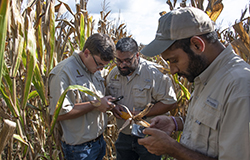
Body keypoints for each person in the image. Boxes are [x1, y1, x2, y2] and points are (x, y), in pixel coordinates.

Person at [138, 7, 250, 160]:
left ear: (197, 45)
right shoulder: (204, 74)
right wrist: (176, 123)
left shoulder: (239, 86)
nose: (172, 70)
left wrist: (172, 148)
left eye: (174, 60)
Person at [106, 37, 177, 160]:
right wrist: (114, 107)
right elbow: (109, 99)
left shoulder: (155, 74)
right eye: (118, 60)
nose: (122, 65)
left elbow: (170, 102)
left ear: (137, 55)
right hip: (124, 135)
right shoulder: (113, 75)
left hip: (149, 135)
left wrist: (142, 114)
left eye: (127, 60)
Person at [48, 33, 116, 160]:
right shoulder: (63, 73)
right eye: (99, 64)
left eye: (104, 66)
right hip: (80, 150)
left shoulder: (93, 69)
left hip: (99, 142)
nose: (101, 69)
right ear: (86, 53)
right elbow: (59, 114)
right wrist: (95, 104)